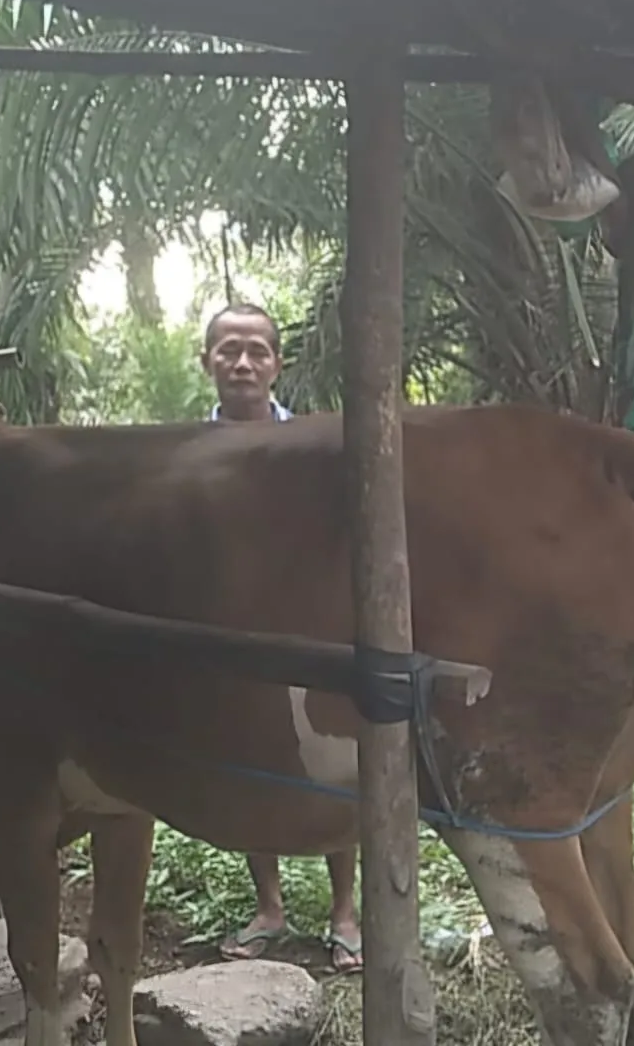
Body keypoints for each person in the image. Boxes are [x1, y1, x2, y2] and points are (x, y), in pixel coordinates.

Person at [199, 303, 363, 974]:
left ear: (276, 364)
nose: (242, 363)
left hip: (316, 626)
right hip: (228, 632)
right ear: (206, 361)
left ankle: (345, 913)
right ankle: (269, 908)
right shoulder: (185, 451)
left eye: (256, 351)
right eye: (228, 350)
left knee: (338, 764)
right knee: (247, 759)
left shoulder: (315, 446)